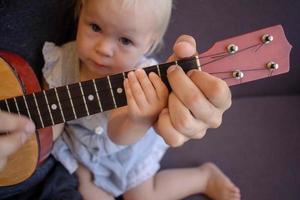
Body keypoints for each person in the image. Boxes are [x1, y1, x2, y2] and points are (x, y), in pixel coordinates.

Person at [38, 0, 241, 200]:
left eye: (125, 40)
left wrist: (138, 119)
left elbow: (118, 135)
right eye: (95, 27)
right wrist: (39, 134)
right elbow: (51, 118)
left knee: (143, 196)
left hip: (129, 147)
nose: (104, 49)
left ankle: (203, 178)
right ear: (81, 11)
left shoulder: (143, 81)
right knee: (84, 186)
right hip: (81, 145)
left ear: (148, 45)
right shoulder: (62, 63)